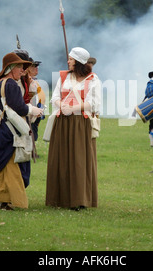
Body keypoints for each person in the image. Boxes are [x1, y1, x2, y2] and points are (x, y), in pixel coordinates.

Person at [0, 53, 43, 210]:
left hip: (0, 131)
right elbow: (19, 107)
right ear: (10, 68)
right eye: (19, 66)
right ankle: (1, 201)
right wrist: (34, 109)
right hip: (7, 131)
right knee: (8, 170)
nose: (22, 70)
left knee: (3, 168)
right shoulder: (10, 84)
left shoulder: (2, 83)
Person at [46, 47, 101, 210]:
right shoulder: (63, 77)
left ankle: (79, 199)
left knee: (79, 161)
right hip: (62, 122)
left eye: (70, 59)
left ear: (77, 61)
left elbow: (94, 104)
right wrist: (61, 104)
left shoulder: (93, 79)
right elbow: (55, 97)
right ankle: (59, 199)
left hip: (80, 124)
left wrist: (75, 107)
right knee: (61, 159)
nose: (68, 61)